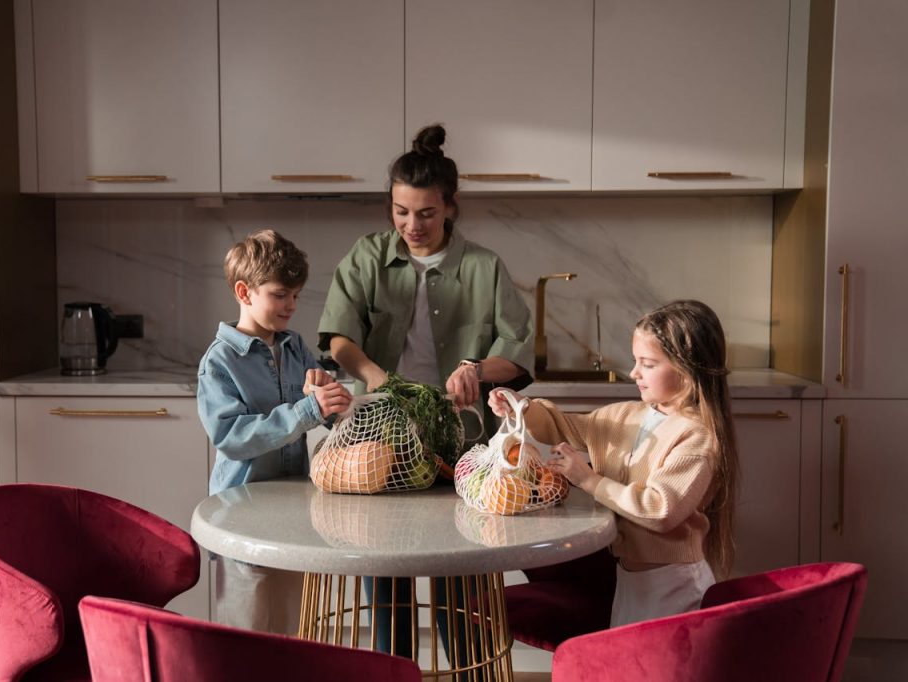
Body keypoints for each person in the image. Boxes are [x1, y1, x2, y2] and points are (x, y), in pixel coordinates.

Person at [317, 124, 535, 662]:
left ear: (451, 208)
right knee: (385, 580)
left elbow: (520, 349)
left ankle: (465, 670)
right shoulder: (367, 256)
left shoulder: (484, 266)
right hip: (378, 438)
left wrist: (477, 368)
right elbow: (339, 337)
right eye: (400, 211)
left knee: (459, 583)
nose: (412, 225)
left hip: (460, 442)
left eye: (426, 214)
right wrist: (377, 378)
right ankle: (394, 673)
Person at [490, 299, 739, 628]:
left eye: (648, 364)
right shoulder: (628, 415)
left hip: (674, 584)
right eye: (636, 361)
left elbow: (660, 510)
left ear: (686, 369)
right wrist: (522, 407)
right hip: (633, 579)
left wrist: (589, 480)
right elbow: (567, 426)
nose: (634, 372)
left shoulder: (697, 438)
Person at [197, 228, 352, 635]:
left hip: (292, 507)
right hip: (240, 513)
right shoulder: (220, 362)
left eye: (296, 295)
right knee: (244, 633)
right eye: (280, 295)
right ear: (245, 293)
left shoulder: (294, 346)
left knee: (291, 629)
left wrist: (333, 403)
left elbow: (317, 407)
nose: (291, 306)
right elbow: (231, 436)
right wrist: (306, 410)